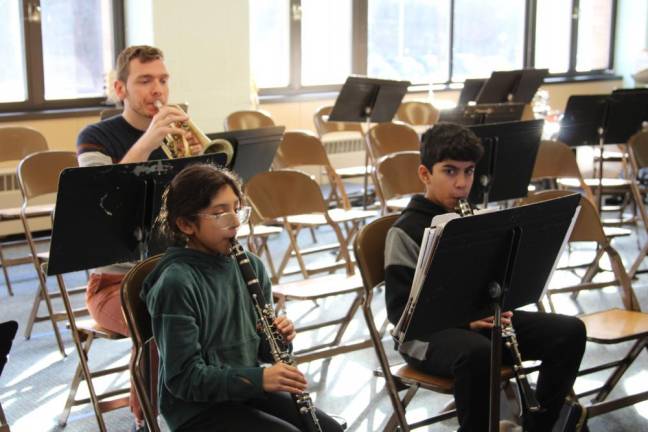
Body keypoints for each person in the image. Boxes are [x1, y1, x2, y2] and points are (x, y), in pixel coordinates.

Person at [384, 123, 588, 432]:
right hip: (424, 337)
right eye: (450, 172)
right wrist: (464, 321)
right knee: (479, 354)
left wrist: (500, 300)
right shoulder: (404, 232)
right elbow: (400, 314)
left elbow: (490, 282)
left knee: (569, 331)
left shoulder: (473, 218)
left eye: (468, 172)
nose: (462, 184)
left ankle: (541, 424)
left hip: (478, 324)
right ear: (425, 174)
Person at [141, 164, 343, 432]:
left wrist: (279, 338)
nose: (235, 221)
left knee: (330, 430)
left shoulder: (252, 266)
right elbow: (184, 380)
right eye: (220, 213)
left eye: (237, 209)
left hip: (245, 390)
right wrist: (260, 379)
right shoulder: (176, 283)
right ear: (186, 224)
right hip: (196, 410)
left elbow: (263, 351)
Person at [75, 45, 201, 431]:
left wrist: (195, 167)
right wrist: (148, 142)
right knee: (161, 321)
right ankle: (145, 419)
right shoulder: (95, 136)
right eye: (144, 81)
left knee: (223, 305)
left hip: (173, 270)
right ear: (120, 88)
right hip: (115, 283)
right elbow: (102, 199)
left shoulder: (176, 136)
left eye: (163, 79)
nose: (157, 90)